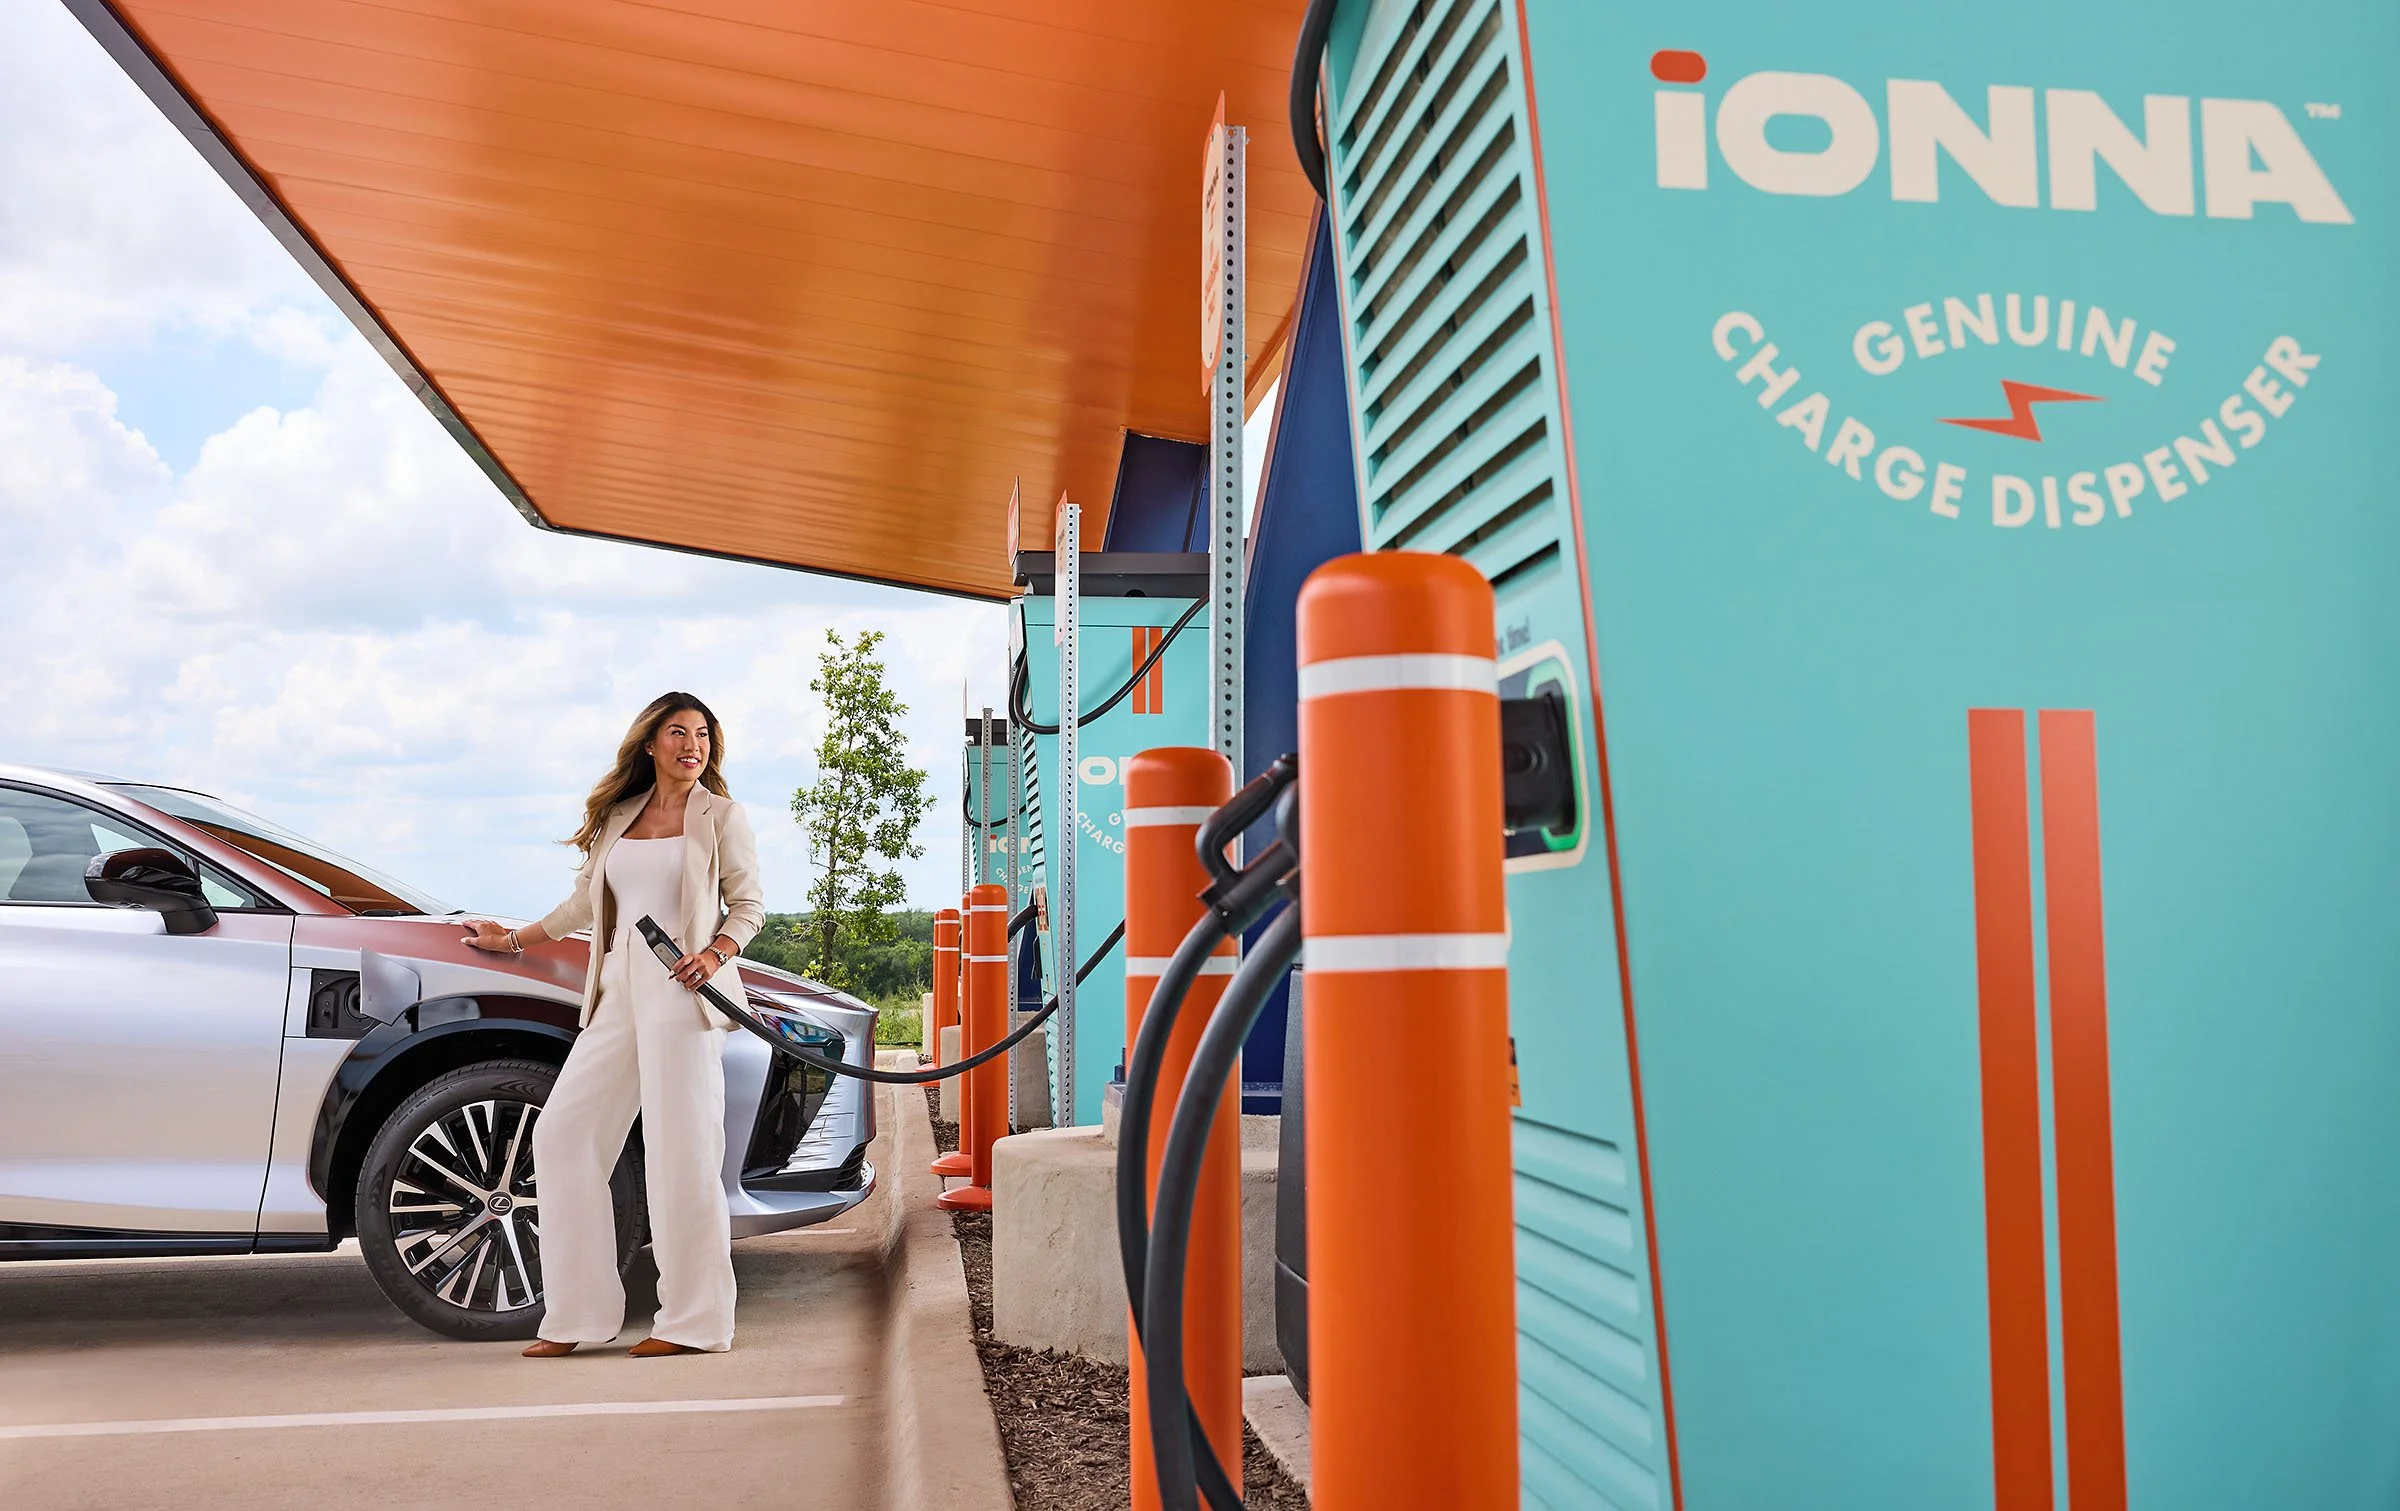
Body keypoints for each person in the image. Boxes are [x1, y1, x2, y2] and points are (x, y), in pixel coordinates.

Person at [464, 692, 763, 1357]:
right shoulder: (620, 815)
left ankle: (694, 1323)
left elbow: (748, 906)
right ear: (650, 743)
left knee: (683, 1152)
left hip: (684, 990)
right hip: (617, 988)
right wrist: (511, 940)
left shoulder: (722, 816)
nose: (692, 745)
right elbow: (583, 903)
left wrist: (714, 955)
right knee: (563, 1135)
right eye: (678, 732)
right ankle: (578, 1315)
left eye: (703, 735)